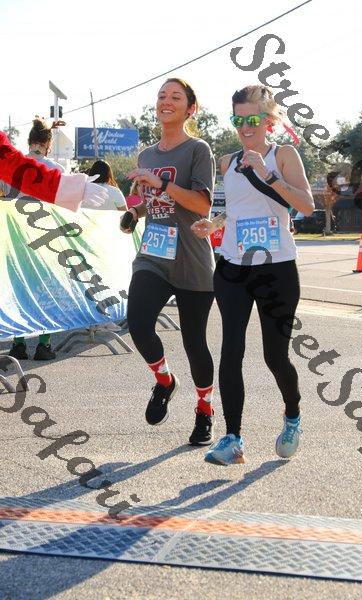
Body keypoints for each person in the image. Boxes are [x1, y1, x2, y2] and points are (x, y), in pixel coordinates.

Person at [191, 85, 314, 464]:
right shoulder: (227, 162)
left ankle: (292, 415)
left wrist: (268, 174)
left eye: (253, 119)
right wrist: (215, 223)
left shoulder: (284, 155)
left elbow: (307, 205)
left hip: (276, 270)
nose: (245, 127)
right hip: (233, 267)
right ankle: (233, 439)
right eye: (238, 119)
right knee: (231, 349)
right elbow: (239, 209)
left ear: (269, 120)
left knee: (275, 356)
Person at [121, 78, 216, 446]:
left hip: (192, 259)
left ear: (190, 108)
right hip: (154, 255)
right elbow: (151, 201)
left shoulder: (198, 150)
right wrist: (135, 213)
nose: (166, 101)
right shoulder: (146, 155)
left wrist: (160, 184)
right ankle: (164, 381)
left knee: (194, 342)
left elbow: (201, 205)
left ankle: (205, 410)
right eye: (162, 96)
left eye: (176, 97)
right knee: (138, 322)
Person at [0, 118, 106, 361]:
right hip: (45, 237)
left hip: (15, 240)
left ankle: (18, 344)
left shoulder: (11, 165)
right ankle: (43, 344)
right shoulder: (55, 169)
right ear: (48, 144)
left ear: (29, 141)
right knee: (45, 290)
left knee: (19, 289)